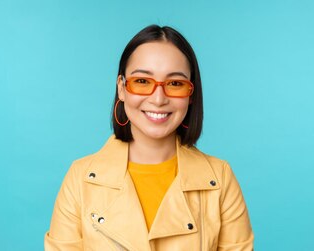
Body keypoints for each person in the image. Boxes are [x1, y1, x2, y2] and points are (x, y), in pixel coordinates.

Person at [44, 25, 254, 251]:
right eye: (142, 81)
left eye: (175, 83)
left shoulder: (219, 179)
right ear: (122, 89)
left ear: (190, 95)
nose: (158, 98)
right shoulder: (80, 179)